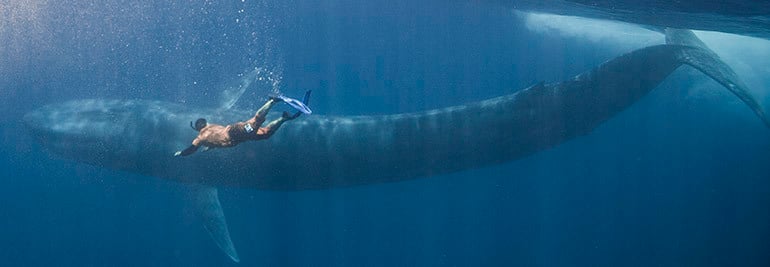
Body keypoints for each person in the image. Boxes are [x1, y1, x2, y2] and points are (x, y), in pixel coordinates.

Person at [174, 91, 310, 157]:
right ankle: (283, 118)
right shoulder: (210, 129)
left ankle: (273, 101)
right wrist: (211, 147)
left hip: (236, 132)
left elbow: (192, 149)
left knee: (255, 122)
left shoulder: (200, 137)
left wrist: (181, 153)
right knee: (265, 134)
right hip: (238, 136)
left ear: (198, 129)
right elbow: (216, 139)